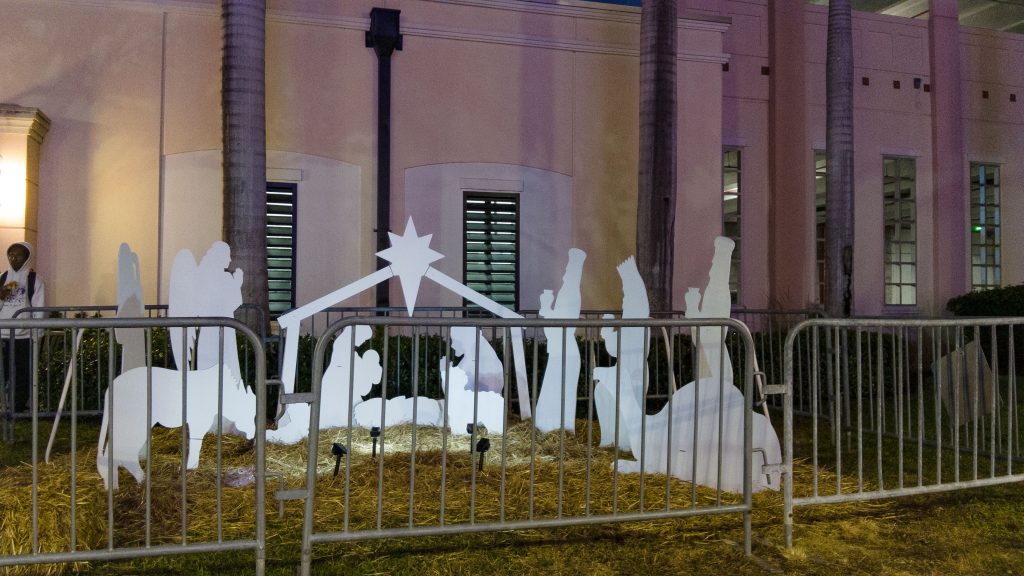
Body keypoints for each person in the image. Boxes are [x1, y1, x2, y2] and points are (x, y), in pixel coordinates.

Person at [0, 242, 45, 413]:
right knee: (3, 372)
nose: (14, 258)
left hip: (24, 336)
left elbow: (39, 310)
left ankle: (17, 406)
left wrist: (36, 335)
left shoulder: (35, 280)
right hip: (3, 334)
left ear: (27, 257)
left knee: (22, 374)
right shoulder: (3, 277)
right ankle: (3, 405)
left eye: (18, 255)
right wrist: (2, 295)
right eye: (11, 254)